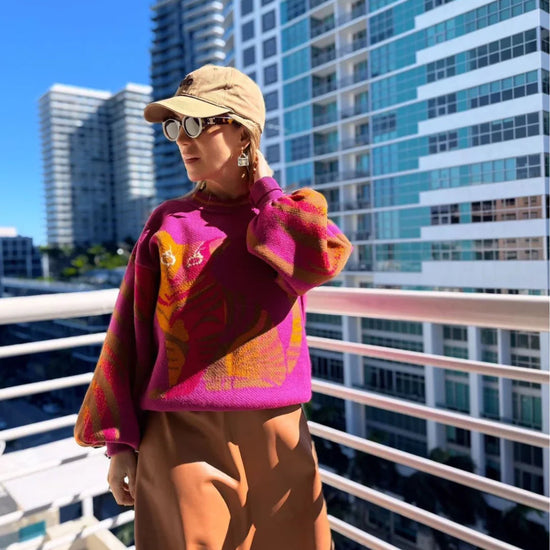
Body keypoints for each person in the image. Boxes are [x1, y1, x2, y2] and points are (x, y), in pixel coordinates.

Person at [74, 64, 352, 550]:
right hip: (180, 433)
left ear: (243, 132)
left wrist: (266, 190)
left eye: (197, 123)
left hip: (280, 429)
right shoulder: (169, 222)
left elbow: (320, 261)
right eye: (175, 126)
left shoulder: (289, 213)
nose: (182, 138)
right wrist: (120, 445)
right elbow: (129, 334)